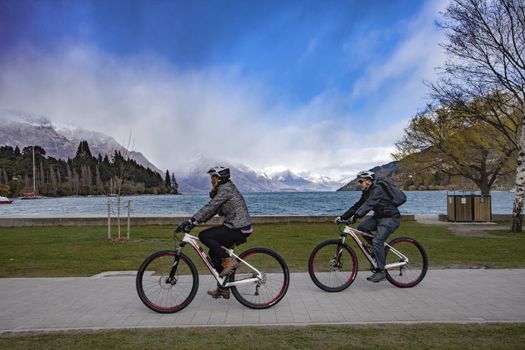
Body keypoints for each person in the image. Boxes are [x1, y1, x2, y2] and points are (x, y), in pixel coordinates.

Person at [177, 166, 252, 299]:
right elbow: (212, 210)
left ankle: (229, 261)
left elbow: (211, 206)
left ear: (219, 178)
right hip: (234, 226)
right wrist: (194, 222)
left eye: (213, 178)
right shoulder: (223, 190)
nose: (211, 181)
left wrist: (193, 220)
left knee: (204, 236)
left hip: (239, 228)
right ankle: (223, 287)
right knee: (213, 252)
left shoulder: (226, 189)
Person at [335, 170, 401, 283]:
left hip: (390, 218)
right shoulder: (367, 193)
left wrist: (355, 217)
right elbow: (357, 206)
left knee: (377, 241)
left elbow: (369, 205)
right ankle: (376, 252)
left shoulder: (377, 189)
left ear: (368, 181)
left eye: (361, 181)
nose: (359, 184)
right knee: (362, 228)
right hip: (379, 217)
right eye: (358, 181)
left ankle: (381, 271)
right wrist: (342, 217)